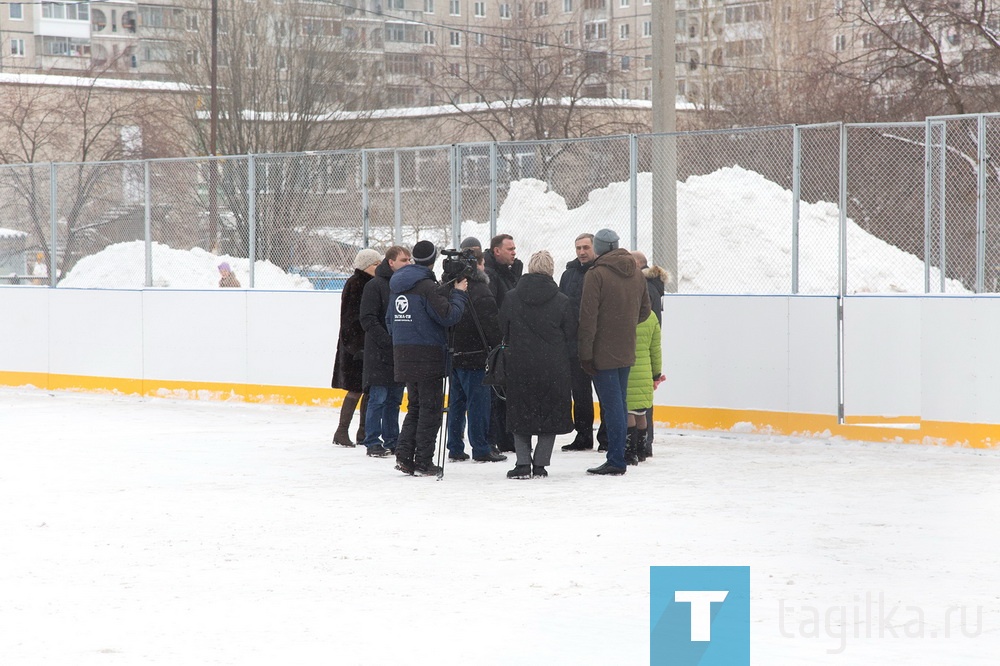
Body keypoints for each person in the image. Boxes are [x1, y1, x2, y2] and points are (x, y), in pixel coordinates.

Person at [387, 240, 468, 476]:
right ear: (433, 261)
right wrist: (459, 295)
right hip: (427, 354)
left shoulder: (398, 286)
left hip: (404, 353)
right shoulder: (426, 287)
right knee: (430, 410)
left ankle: (404, 457)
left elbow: (390, 321)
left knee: (415, 407)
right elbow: (448, 316)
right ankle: (423, 460)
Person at [578, 228, 651, 476]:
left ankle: (616, 459)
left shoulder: (596, 275)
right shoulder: (636, 273)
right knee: (620, 403)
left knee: (613, 407)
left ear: (597, 248)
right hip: (626, 349)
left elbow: (587, 319)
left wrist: (585, 354)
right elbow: (644, 311)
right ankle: (619, 455)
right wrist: (625, 326)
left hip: (602, 352)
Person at [499, 250, 575, 479]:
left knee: (520, 414)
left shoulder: (512, 297)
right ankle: (540, 464)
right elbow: (571, 335)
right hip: (553, 367)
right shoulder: (562, 301)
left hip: (520, 364)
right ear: (551, 270)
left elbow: (502, 328)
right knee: (549, 415)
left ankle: (522, 463)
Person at [444, 247, 507, 463]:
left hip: (454, 355)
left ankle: (454, 447)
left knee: (457, 404)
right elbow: (492, 327)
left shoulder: (448, 287)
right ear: (478, 265)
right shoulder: (482, 291)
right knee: (478, 404)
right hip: (476, 356)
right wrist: (498, 347)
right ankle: (480, 448)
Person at [359, 246, 411, 458]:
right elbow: (368, 318)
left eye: (409, 260)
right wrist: (387, 341)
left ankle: (393, 439)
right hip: (380, 354)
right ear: (391, 262)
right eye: (404, 260)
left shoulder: (405, 285)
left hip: (399, 354)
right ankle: (372, 440)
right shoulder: (375, 286)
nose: (408, 263)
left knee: (394, 400)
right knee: (378, 398)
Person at [331, 248, 382, 448]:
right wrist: (357, 347)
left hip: (364, 346)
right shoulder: (356, 284)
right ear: (366, 266)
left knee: (368, 390)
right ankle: (341, 431)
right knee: (355, 389)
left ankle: (364, 431)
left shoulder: (369, 283)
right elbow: (350, 319)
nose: (379, 267)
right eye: (376, 264)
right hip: (355, 348)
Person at [559, 233, 600, 452]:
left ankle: (607, 437)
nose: (582, 252)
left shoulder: (601, 272)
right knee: (581, 394)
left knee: (604, 393)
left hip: (598, 344)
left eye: (586, 247)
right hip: (573, 345)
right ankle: (583, 436)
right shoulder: (568, 275)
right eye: (578, 248)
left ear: (594, 248)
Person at [484, 234, 522, 454]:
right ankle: (500, 438)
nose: (514, 252)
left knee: (504, 393)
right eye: (510, 249)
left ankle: (505, 438)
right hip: (499, 342)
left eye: (515, 248)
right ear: (497, 251)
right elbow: (495, 310)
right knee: (498, 393)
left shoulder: (509, 271)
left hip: (508, 339)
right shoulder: (491, 275)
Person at [632, 250, 670, 459]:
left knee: (638, 399)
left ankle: (643, 443)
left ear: (638, 265)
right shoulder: (654, 286)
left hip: (640, 346)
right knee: (643, 397)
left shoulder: (644, 287)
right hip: (647, 346)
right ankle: (645, 442)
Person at [625, 307, 663, 465]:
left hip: (627, 367)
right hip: (645, 371)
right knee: (641, 412)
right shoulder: (651, 316)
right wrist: (656, 374)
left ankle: (629, 451)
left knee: (628, 412)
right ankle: (642, 451)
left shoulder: (624, 313)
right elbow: (655, 350)